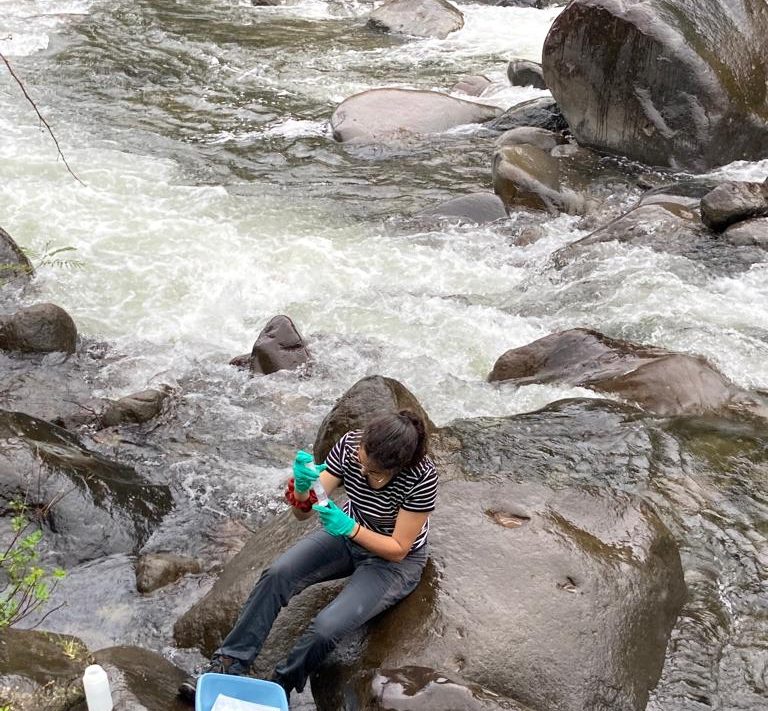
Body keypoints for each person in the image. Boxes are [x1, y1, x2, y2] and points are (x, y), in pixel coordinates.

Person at [178, 409, 438, 703]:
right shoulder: (352, 445)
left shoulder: (422, 477)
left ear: (396, 467)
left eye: (373, 472)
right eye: (361, 462)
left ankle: (279, 685)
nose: (363, 472)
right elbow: (302, 513)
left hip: (392, 562)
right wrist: (302, 489)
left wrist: (349, 528)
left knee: (326, 627)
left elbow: (399, 547)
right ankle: (228, 665)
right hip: (347, 533)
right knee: (278, 574)